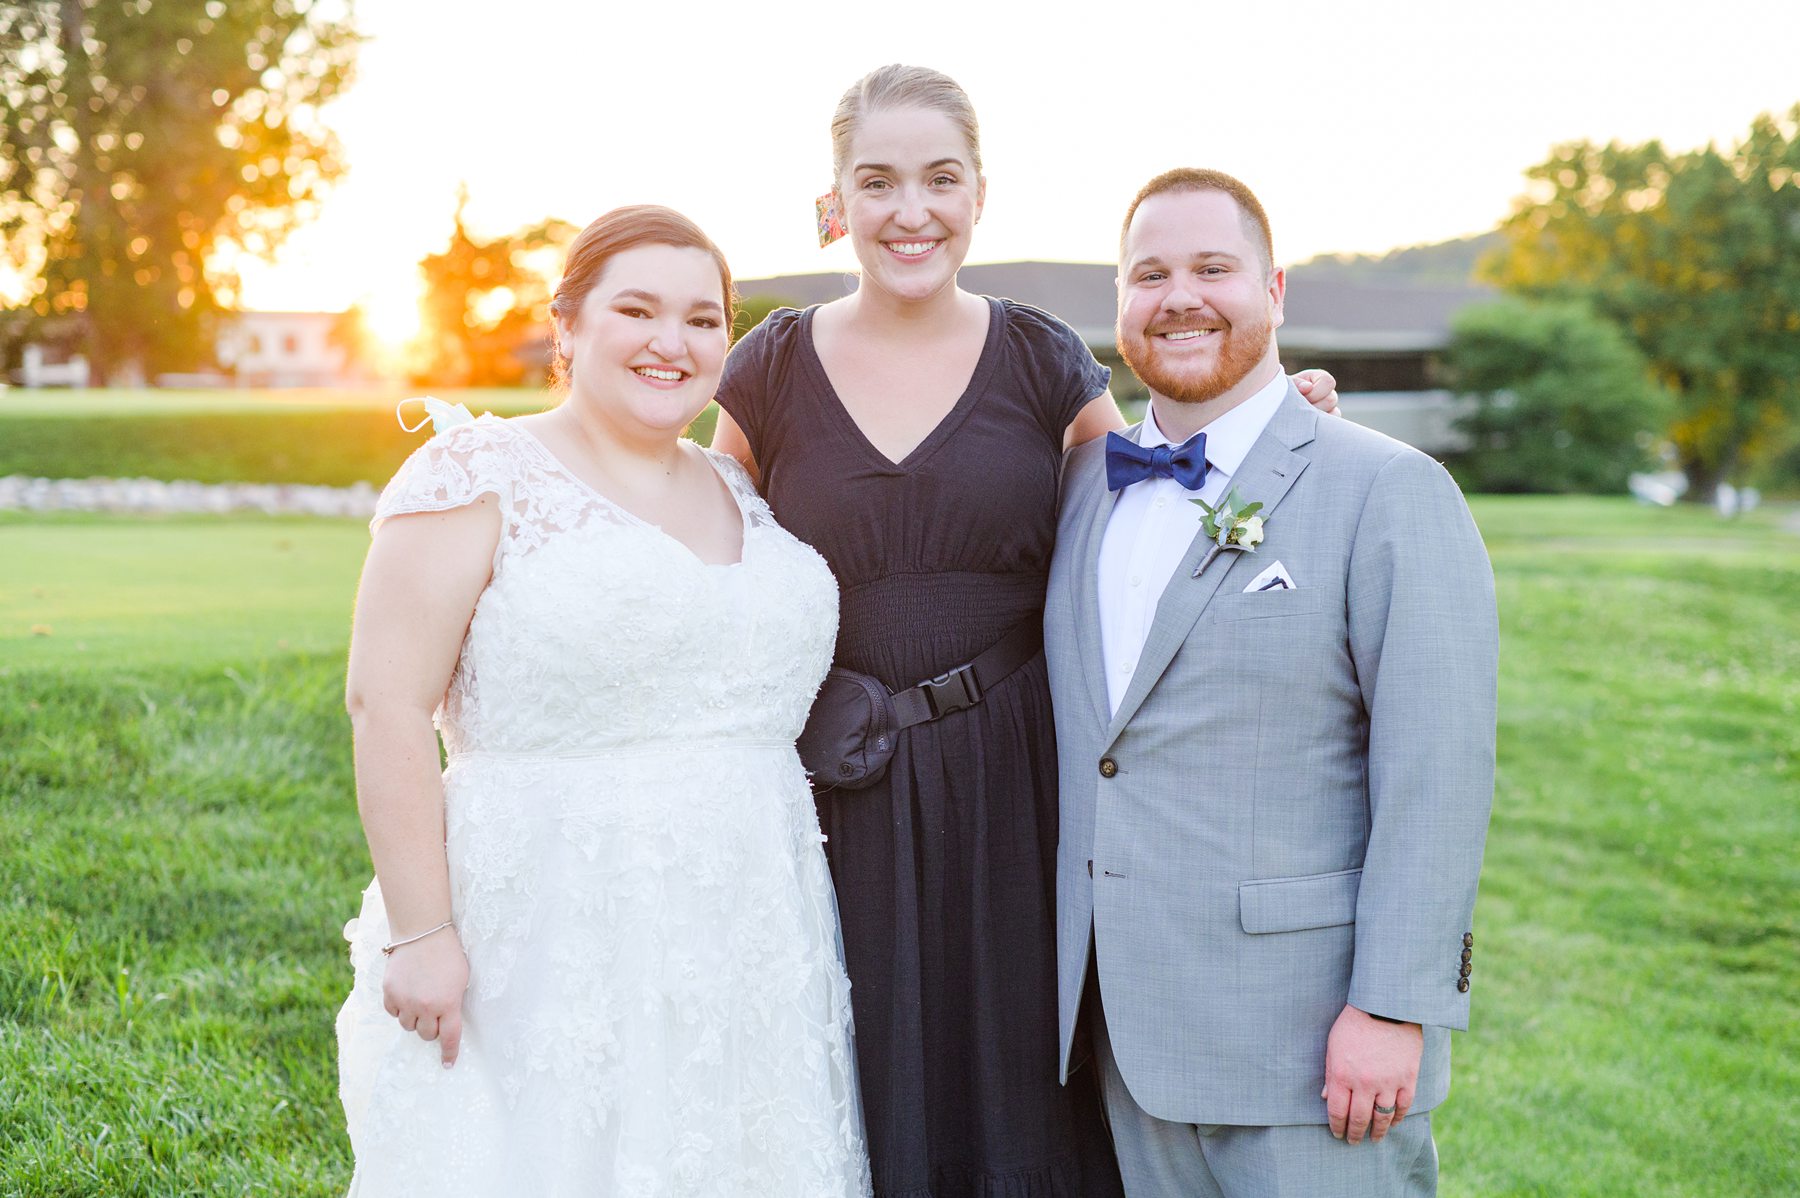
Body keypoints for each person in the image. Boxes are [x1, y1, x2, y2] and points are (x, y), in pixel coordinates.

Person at [710, 65, 1340, 1197]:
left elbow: (1160, 489)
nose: (913, 210)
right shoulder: (769, 367)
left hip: (1023, 780)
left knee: (1024, 1088)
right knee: (854, 1072)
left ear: (980, 193)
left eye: (940, 179)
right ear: (834, 204)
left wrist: (1282, 423)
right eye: (879, 181)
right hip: (830, 792)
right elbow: (697, 545)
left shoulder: (1044, 357)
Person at [336, 205, 871, 1197]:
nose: (673, 342)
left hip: (752, 921)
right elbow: (386, 705)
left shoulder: (740, 488)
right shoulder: (475, 473)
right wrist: (422, 932)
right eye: (637, 310)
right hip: (550, 929)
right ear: (568, 324)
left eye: (704, 319)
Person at [1044, 167, 1498, 1197]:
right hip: (1120, 1046)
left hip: (1310, 1052)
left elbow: (1439, 770)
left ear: (1276, 289)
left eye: (1214, 267)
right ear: (1121, 306)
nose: (1181, 296)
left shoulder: (1387, 489)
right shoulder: (1079, 488)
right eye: (1149, 273)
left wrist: (1393, 1007)